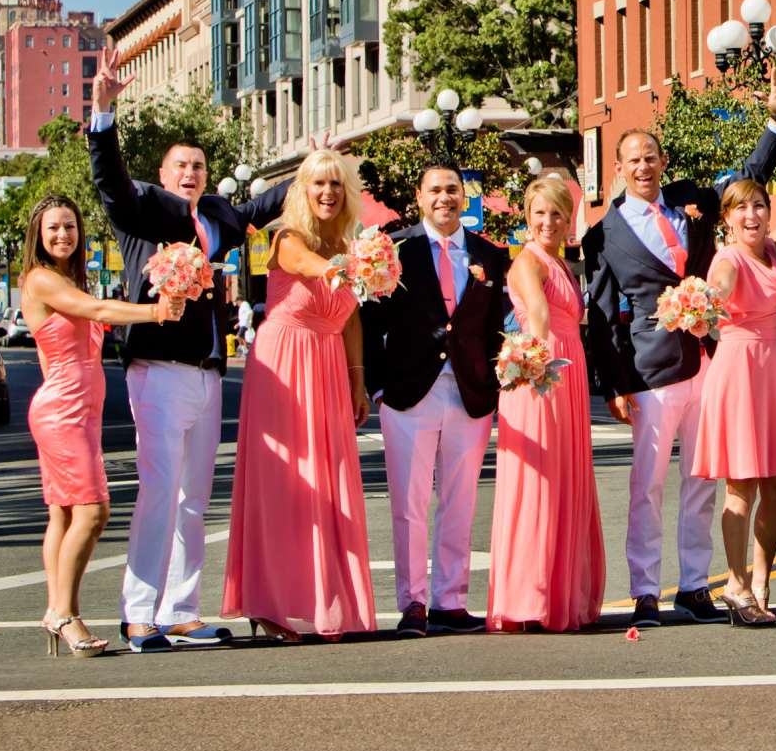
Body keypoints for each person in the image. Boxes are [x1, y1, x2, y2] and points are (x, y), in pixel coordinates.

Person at [87, 45, 290, 651]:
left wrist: (314, 169)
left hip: (206, 372)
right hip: (157, 368)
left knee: (195, 498)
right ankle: (137, 613)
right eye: (182, 165)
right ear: (165, 171)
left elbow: (261, 207)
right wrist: (102, 116)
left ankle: (181, 609)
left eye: (199, 165)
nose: (192, 173)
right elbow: (110, 182)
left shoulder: (220, 216)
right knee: (158, 491)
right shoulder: (147, 208)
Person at [580, 67, 776, 627]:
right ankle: (646, 588)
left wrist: (775, 122)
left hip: (711, 363)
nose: (645, 166)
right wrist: (615, 384)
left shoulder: (693, 202)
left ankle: (696, 584)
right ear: (620, 169)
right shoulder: (603, 234)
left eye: (652, 156)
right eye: (634, 159)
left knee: (704, 479)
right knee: (647, 486)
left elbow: (748, 182)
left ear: (663, 163)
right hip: (650, 373)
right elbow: (601, 315)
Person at [17, 195, 187, 659]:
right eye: (52, 228)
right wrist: (154, 312)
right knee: (92, 512)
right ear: (38, 234)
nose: (62, 236)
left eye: (69, 227)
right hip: (63, 411)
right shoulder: (42, 279)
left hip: (77, 410)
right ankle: (62, 613)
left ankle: (61, 611)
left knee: (63, 515)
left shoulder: (68, 278)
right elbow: (95, 312)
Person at [222, 150, 377, 642]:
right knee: (284, 485)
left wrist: (357, 381)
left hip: (329, 361)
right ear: (303, 192)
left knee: (327, 483)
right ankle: (267, 601)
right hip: (286, 363)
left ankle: (324, 597)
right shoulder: (288, 238)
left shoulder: (349, 244)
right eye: (318, 185)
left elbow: (350, 316)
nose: (328, 192)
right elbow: (305, 265)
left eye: (335, 184)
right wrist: (338, 269)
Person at [361, 162, 511, 637]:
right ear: (420, 197)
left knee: (461, 499)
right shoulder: (394, 249)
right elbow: (368, 320)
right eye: (435, 191)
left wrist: (498, 379)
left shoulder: (490, 253)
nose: (445, 198)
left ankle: (450, 600)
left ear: (464, 198)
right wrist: (378, 387)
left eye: (453, 190)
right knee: (408, 503)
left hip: (469, 392)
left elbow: (492, 326)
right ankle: (414, 603)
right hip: (408, 394)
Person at [491, 174, 606, 633]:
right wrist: (537, 361)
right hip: (542, 381)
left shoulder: (559, 263)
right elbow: (537, 316)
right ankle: (531, 597)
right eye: (539, 213)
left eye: (556, 213)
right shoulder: (528, 262)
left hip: (567, 376)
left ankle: (558, 591)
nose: (548, 221)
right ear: (527, 216)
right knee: (539, 484)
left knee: (564, 481)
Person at [690, 178, 776, 627]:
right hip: (739, 371)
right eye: (741, 208)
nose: (751, 215)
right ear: (727, 219)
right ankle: (735, 584)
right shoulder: (728, 260)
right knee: (742, 487)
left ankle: (761, 581)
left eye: (759, 206)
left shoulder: (772, 252)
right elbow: (712, 298)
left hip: (773, 368)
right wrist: (701, 310)